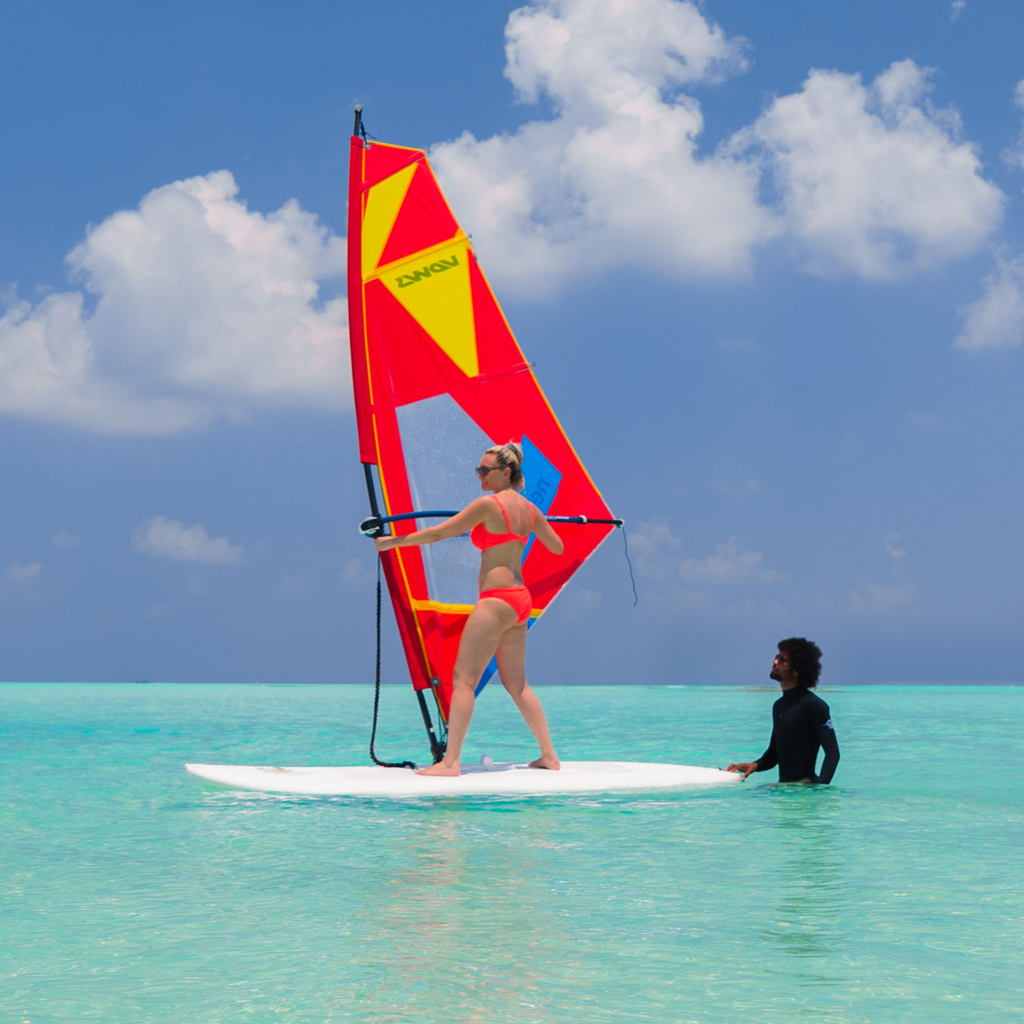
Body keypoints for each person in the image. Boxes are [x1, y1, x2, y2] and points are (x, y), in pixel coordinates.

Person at [374, 441, 565, 777]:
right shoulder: (530, 510)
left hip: (496, 601)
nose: (480, 476)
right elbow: (557, 547)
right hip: (521, 599)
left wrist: (390, 542)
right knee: (517, 685)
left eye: (485, 470)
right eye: (478, 470)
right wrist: (532, 524)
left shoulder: (488, 505)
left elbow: (436, 533)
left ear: (506, 472)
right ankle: (549, 756)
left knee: (462, 681)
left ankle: (450, 762)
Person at [726, 638, 840, 784]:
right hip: (785, 789)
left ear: (797, 669)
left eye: (782, 659)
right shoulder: (779, 706)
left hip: (805, 789)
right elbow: (774, 754)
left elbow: (832, 752)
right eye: (776, 657)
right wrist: (754, 765)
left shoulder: (814, 705)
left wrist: (820, 789)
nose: (775, 662)